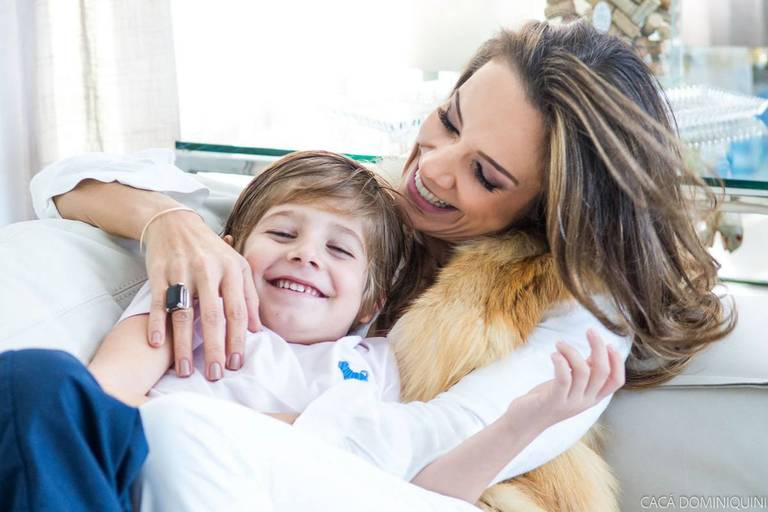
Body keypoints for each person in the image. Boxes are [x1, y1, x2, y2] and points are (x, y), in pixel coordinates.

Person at [27, 19, 734, 511]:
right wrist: (168, 223)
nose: (434, 168)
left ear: (548, 213)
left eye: (485, 175)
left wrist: (198, 416)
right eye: (449, 120)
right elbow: (63, 182)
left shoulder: (582, 306)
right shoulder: (359, 212)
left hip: (424, 492)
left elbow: (430, 443)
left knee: (177, 436)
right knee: (36, 384)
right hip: (248, 464)